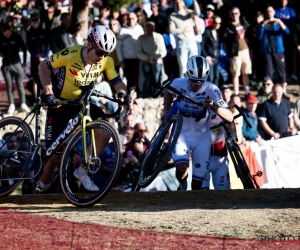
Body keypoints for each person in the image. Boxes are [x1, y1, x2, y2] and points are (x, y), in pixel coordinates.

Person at [37, 25, 131, 192]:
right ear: (89, 45)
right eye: (100, 52)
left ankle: (82, 170)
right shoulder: (71, 54)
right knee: (53, 160)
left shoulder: (106, 62)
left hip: (81, 104)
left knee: (105, 131)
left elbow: (117, 83)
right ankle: (39, 191)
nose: (102, 58)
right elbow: (43, 66)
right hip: (60, 104)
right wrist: (49, 93)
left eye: (106, 54)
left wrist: (123, 94)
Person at [163, 56, 233, 190]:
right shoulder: (179, 83)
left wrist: (213, 106)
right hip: (182, 133)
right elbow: (167, 91)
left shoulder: (212, 89)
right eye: (194, 80)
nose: (198, 84)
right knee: (182, 170)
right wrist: (166, 111)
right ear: (188, 74)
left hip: (202, 137)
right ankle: (182, 184)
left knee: (197, 185)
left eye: (201, 81)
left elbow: (229, 117)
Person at [257, 5, 290, 99]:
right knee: (268, 71)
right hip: (267, 50)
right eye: (267, 11)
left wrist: (280, 23)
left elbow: (287, 32)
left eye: (270, 11)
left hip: (278, 50)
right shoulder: (263, 23)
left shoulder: (277, 22)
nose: (269, 13)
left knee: (281, 70)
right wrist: (263, 25)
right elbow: (259, 37)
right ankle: (268, 92)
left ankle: (283, 91)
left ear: (274, 12)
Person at [0, 22, 31, 115]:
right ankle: (11, 105)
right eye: (3, 33)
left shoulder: (17, 36)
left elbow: (24, 49)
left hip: (16, 63)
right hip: (6, 65)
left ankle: (23, 103)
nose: (5, 35)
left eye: (7, 32)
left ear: (10, 30)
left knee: (20, 85)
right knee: (9, 86)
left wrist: (24, 62)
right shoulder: (1, 37)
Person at [221, 6, 252, 96]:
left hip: (245, 50)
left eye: (236, 13)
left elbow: (250, 31)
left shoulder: (243, 22)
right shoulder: (228, 26)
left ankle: (247, 92)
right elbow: (225, 38)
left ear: (239, 14)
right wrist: (236, 37)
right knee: (236, 73)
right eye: (232, 13)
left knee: (246, 71)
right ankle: (236, 92)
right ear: (229, 14)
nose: (234, 15)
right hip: (235, 52)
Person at [169, 0, 200, 78]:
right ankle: (183, 87)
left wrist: (195, 2)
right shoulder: (173, 15)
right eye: (176, 2)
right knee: (183, 68)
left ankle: (194, 85)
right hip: (181, 43)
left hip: (191, 41)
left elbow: (197, 12)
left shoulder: (188, 12)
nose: (178, 4)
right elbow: (171, 30)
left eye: (180, 2)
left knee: (193, 65)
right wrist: (183, 30)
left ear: (183, 3)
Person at [136, 21, 167, 98]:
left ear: (154, 28)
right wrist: (147, 58)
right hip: (145, 62)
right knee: (146, 81)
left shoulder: (159, 36)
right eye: (148, 26)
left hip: (157, 62)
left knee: (157, 80)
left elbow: (163, 51)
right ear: (145, 28)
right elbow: (138, 52)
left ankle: (157, 96)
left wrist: (155, 57)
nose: (150, 28)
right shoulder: (141, 38)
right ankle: (144, 96)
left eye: (151, 27)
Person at [202, 15, 221, 86]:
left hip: (216, 57)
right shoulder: (207, 31)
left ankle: (215, 94)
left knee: (216, 77)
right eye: (216, 23)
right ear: (212, 22)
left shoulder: (218, 33)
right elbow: (202, 45)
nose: (217, 25)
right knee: (210, 77)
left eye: (219, 23)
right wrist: (206, 56)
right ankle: (208, 95)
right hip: (209, 57)